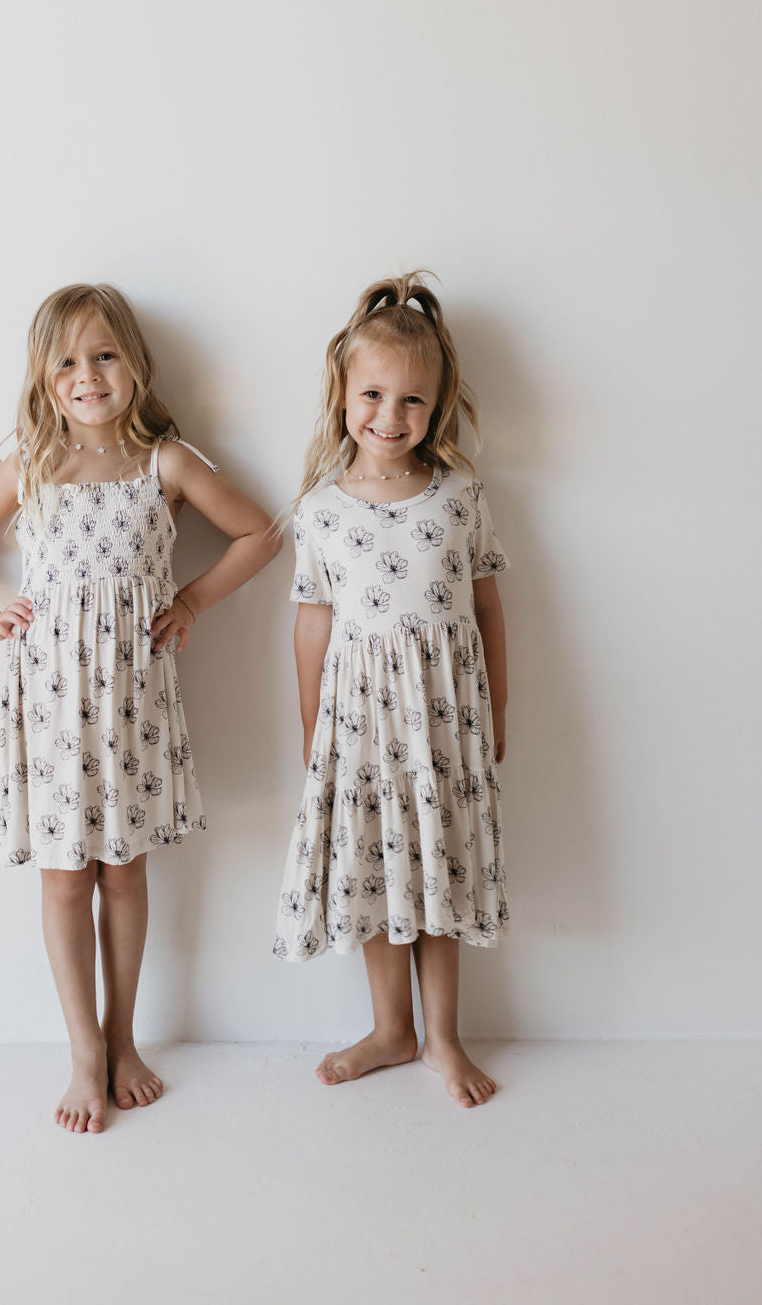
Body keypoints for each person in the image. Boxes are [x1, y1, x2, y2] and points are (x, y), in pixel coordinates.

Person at [0, 283, 279, 1132]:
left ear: (133, 363)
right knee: (64, 879)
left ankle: (126, 1039)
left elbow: (261, 532)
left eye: (104, 355)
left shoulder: (166, 461)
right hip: (52, 709)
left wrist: (192, 601)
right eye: (67, 362)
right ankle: (84, 1051)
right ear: (44, 378)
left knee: (124, 872)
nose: (87, 375)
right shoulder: (30, 464)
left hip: (132, 709)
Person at [274, 272, 510, 1108]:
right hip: (360, 727)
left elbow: (485, 603)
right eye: (372, 393)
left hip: (441, 725)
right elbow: (312, 624)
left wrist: (500, 707)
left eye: (412, 399)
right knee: (378, 874)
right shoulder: (321, 510)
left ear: (437, 403)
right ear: (342, 393)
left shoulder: (460, 497)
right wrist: (314, 728)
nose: (389, 415)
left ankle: (442, 1035)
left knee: (436, 876)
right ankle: (390, 1029)